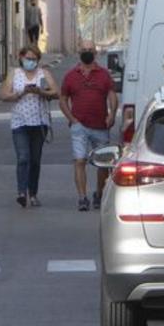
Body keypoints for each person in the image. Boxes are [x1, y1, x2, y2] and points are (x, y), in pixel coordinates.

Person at [60, 40, 117, 212]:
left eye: (90, 50)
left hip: (100, 126)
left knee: (103, 163)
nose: (87, 52)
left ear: (95, 52)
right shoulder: (70, 76)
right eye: (84, 49)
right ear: (79, 52)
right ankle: (82, 197)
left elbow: (112, 95)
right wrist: (71, 118)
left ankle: (98, 194)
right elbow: (63, 99)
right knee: (79, 161)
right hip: (79, 126)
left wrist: (112, 114)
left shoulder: (104, 75)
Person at [0, 46, 58, 208]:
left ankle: (33, 193)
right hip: (20, 122)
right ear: (21, 57)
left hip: (40, 123)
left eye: (34, 59)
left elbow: (56, 92)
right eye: (28, 58)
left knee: (35, 160)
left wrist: (41, 92)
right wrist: (21, 93)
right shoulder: (14, 74)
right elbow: (4, 95)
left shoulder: (44, 74)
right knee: (23, 157)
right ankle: (21, 192)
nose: (30, 62)